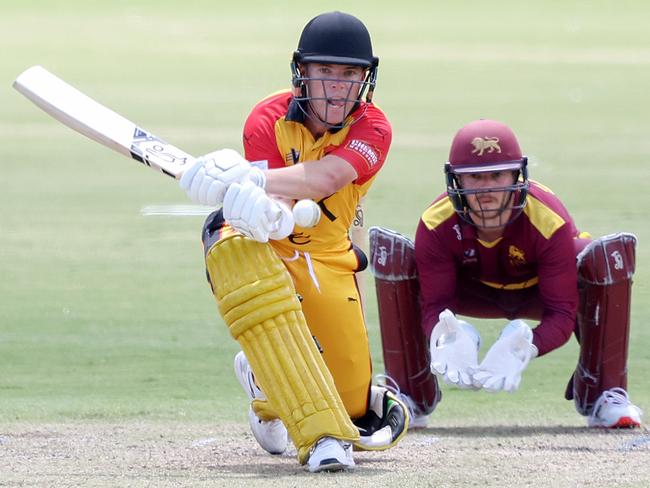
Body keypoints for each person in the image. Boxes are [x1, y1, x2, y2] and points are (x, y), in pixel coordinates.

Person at [178, 11, 409, 472]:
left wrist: (252, 178)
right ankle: (293, 404)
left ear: (366, 78)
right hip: (270, 247)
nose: (337, 86)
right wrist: (261, 210)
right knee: (232, 242)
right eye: (326, 71)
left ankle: (264, 389)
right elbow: (280, 206)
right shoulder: (266, 118)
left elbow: (325, 178)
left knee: (351, 409)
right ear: (301, 72)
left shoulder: (374, 127)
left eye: (349, 74)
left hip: (328, 254)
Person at [371, 118, 642, 429]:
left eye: (497, 175)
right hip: (472, 291)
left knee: (605, 255)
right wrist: (445, 336)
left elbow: (562, 314)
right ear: (456, 180)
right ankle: (410, 393)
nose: (487, 189)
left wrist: (526, 347)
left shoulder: (547, 219)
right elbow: (434, 306)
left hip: (540, 292)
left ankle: (606, 393)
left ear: (518, 174)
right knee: (394, 254)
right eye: (474, 178)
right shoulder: (436, 222)